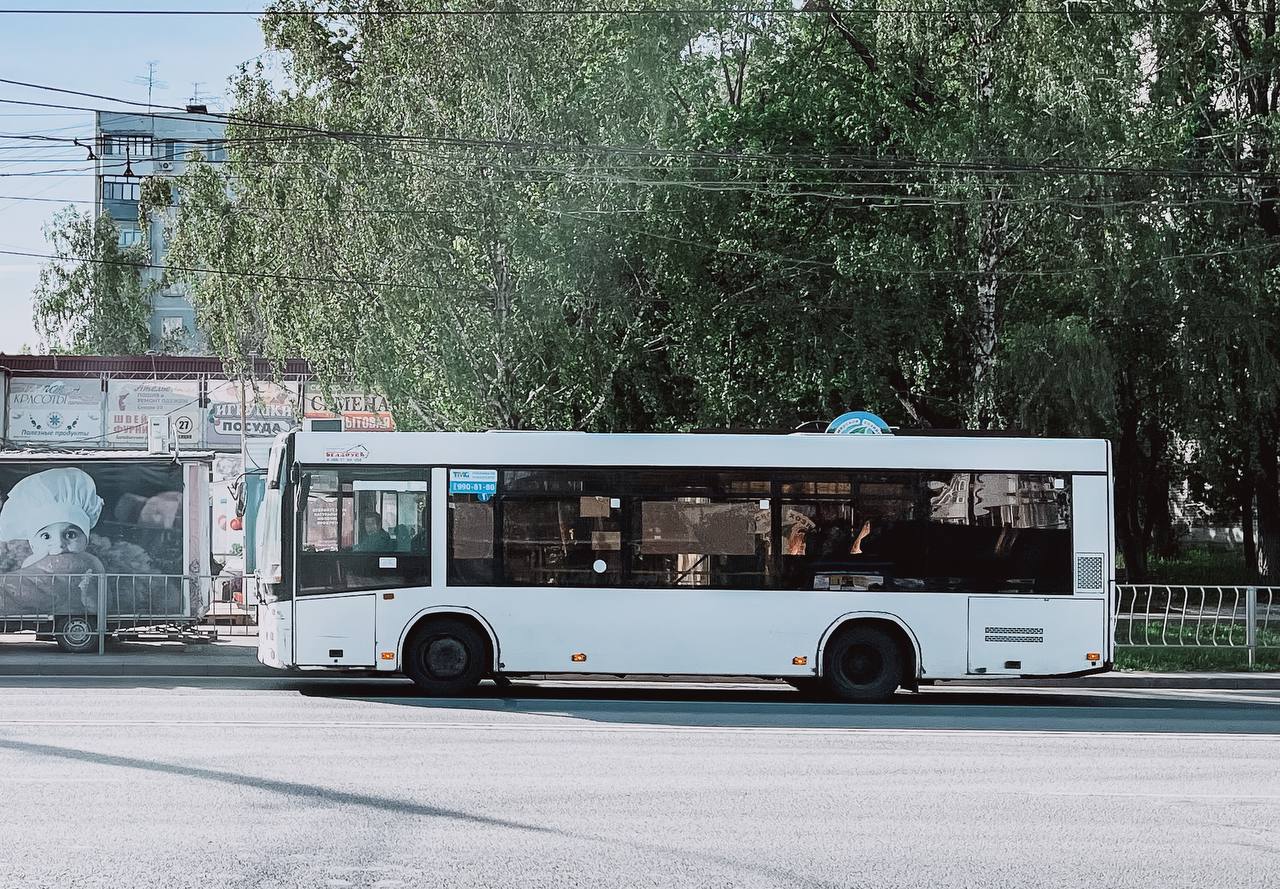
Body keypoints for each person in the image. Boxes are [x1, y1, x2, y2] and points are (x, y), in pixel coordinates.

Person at [0, 467, 106, 568]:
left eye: (71, 535)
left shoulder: (92, 564)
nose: (59, 545)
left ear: (86, 541)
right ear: (33, 545)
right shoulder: (30, 566)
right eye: (46, 536)